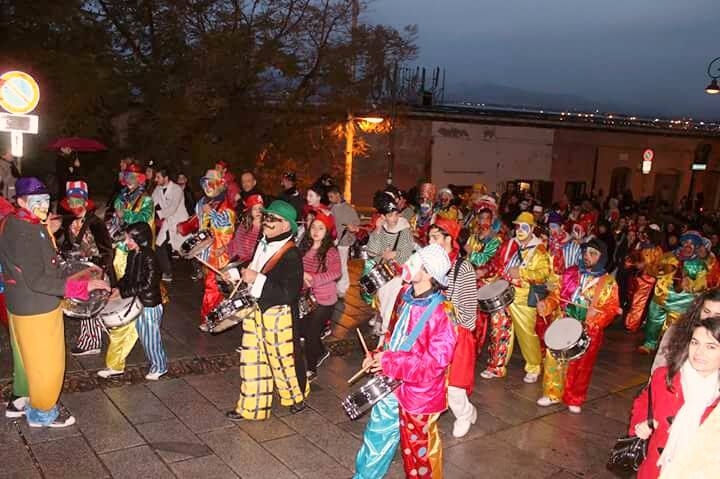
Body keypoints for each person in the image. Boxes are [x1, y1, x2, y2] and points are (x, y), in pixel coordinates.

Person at [0, 177, 109, 426]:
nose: (44, 206)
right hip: (37, 306)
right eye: (37, 201)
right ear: (20, 201)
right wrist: (83, 286)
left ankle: (20, 399)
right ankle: (43, 413)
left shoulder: (14, 221)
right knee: (47, 363)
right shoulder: (26, 231)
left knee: (26, 358)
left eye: (46, 201)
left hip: (19, 304)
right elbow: (38, 280)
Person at [353, 243, 457, 479]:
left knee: (419, 453)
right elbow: (393, 337)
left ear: (429, 272)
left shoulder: (443, 312)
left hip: (419, 395)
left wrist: (388, 361)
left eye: (415, 261)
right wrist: (376, 356)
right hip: (390, 383)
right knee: (376, 437)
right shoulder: (405, 295)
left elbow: (434, 364)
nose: (408, 263)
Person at [226, 200, 307, 420]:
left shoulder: (291, 255)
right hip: (255, 310)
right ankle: (251, 407)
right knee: (252, 360)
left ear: (286, 226)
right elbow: (253, 268)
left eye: (273, 219)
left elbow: (289, 293)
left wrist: (257, 279)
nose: (267, 222)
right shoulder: (262, 243)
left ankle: (295, 397)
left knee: (283, 361)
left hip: (279, 316)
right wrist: (235, 275)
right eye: (266, 217)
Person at [629, 315, 720, 479]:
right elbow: (643, 404)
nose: (699, 352)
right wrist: (640, 426)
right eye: (695, 342)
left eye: (711, 347)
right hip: (655, 469)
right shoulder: (663, 377)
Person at [536, 238, 620, 412]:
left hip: (589, 329)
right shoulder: (569, 273)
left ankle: (574, 398)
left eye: (593, 253)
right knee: (554, 358)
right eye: (585, 252)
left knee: (582, 366)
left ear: (602, 257)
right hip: (564, 320)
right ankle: (552, 394)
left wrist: (596, 316)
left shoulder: (608, 283)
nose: (587, 256)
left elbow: (611, 309)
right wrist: (546, 304)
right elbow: (556, 296)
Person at [481, 212, 551, 382]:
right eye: (518, 226)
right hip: (504, 295)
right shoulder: (510, 245)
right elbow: (499, 266)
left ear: (532, 229)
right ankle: (496, 366)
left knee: (526, 334)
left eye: (524, 227)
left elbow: (544, 273)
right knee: (500, 330)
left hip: (524, 297)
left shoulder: (539, 249)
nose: (520, 230)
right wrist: (488, 279)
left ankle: (534, 367)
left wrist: (521, 272)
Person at [97, 222, 168, 381]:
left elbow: (148, 284)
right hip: (134, 301)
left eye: (130, 239)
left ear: (140, 239)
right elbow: (127, 277)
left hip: (148, 304)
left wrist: (122, 292)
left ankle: (160, 366)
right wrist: (117, 288)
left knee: (149, 338)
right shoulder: (132, 254)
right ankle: (115, 366)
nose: (126, 242)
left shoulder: (150, 256)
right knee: (119, 334)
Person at [428, 219, 478, 438]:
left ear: (449, 239)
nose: (430, 242)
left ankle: (466, 413)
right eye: (429, 237)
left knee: (455, 386)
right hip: (432, 331)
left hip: (457, 334)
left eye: (435, 237)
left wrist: (448, 313)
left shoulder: (464, 268)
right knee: (431, 380)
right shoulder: (428, 263)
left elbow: (469, 313)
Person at [57, 181, 116, 356]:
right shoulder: (70, 222)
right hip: (80, 270)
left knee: (90, 306)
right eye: (71, 202)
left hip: (95, 270)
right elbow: (69, 245)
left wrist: (97, 267)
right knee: (83, 305)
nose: (74, 205)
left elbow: (107, 251)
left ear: (84, 201)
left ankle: (91, 341)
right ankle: (90, 339)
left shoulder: (95, 223)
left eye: (77, 201)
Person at [299, 211, 341, 381]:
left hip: (324, 300)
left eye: (321, 228)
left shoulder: (330, 251)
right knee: (302, 330)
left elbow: (336, 273)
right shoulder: (304, 246)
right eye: (314, 227)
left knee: (310, 334)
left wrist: (314, 279)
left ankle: (311, 369)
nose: (316, 231)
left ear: (327, 231)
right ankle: (322, 351)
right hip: (306, 298)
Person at [192, 170, 237, 331]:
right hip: (206, 252)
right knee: (210, 286)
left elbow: (227, 227)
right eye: (206, 182)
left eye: (212, 182)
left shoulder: (226, 206)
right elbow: (199, 223)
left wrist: (210, 213)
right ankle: (215, 318)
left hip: (219, 254)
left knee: (213, 287)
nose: (208, 186)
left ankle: (210, 319)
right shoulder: (202, 202)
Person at [366, 190, 414, 333]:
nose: (394, 218)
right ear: (383, 216)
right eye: (390, 215)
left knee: (391, 309)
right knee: (382, 306)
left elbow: (406, 254)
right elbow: (371, 251)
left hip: (397, 277)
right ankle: (385, 335)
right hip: (383, 275)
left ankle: (387, 337)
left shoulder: (405, 230)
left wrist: (393, 254)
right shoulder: (381, 230)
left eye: (396, 214)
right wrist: (378, 229)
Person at [152, 168, 190, 282]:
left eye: (158, 177)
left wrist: (156, 215)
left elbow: (172, 208)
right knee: (159, 246)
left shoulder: (177, 189)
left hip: (180, 222)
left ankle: (198, 268)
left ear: (166, 178)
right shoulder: (158, 189)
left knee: (188, 249)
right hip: (168, 223)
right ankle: (167, 272)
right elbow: (150, 203)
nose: (155, 179)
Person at [624, 228, 664, 333]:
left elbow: (658, 267)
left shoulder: (656, 250)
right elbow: (629, 261)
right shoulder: (641, 246)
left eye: (647, 234)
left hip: (647, 280)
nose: (644, 236)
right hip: (636, 277)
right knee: (633, 301)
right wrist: (635, 263)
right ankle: (631, 322)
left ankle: (632, 324)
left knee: (639, 302)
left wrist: (645, 267)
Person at [327, 184, 360, 299]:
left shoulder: (349, 209)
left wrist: (352, 229)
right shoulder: (330, 208)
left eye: (331, 196)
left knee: (342, 265)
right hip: (332, 241)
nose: (330, 199)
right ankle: (334, 286)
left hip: (343, 242)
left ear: (337, 195)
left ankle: (342, 288)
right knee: (332, 265)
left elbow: (356, 226)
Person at [227, 194, 263, 264]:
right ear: (250, 211)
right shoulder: (244, 224)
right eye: (254, 209)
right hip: (236, 258)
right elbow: (236, 241)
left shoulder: (265, 228)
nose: (258, 211)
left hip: (251, 262)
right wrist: (224, 248)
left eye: (260, 208)